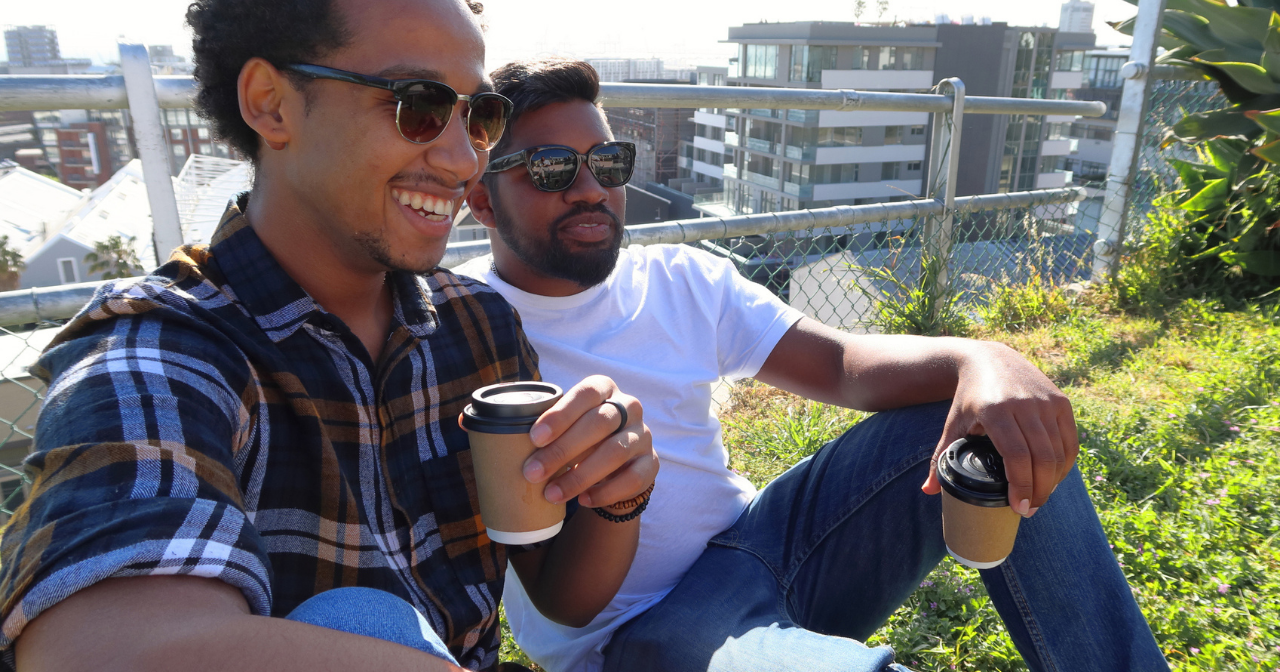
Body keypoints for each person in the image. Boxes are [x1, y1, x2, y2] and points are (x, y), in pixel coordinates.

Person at [0, 5, 659, 672]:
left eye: (478, 116)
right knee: (361, 620)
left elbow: (561, 597)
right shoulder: (160, 353)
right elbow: (96, 650)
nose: (464, 160)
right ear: (272, 105)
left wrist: (616, 495)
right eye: (419, 105)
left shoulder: (478, 325)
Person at [457, 58, 1170, 672]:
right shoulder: (463, 331)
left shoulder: (680, 278)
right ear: (483, 199)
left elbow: (838, 364)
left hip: (767, 543)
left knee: (998, 425)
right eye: (551, 168)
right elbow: (553, 593)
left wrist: (980, 358)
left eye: (608, 162)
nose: (589, 188)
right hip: (644, 636)